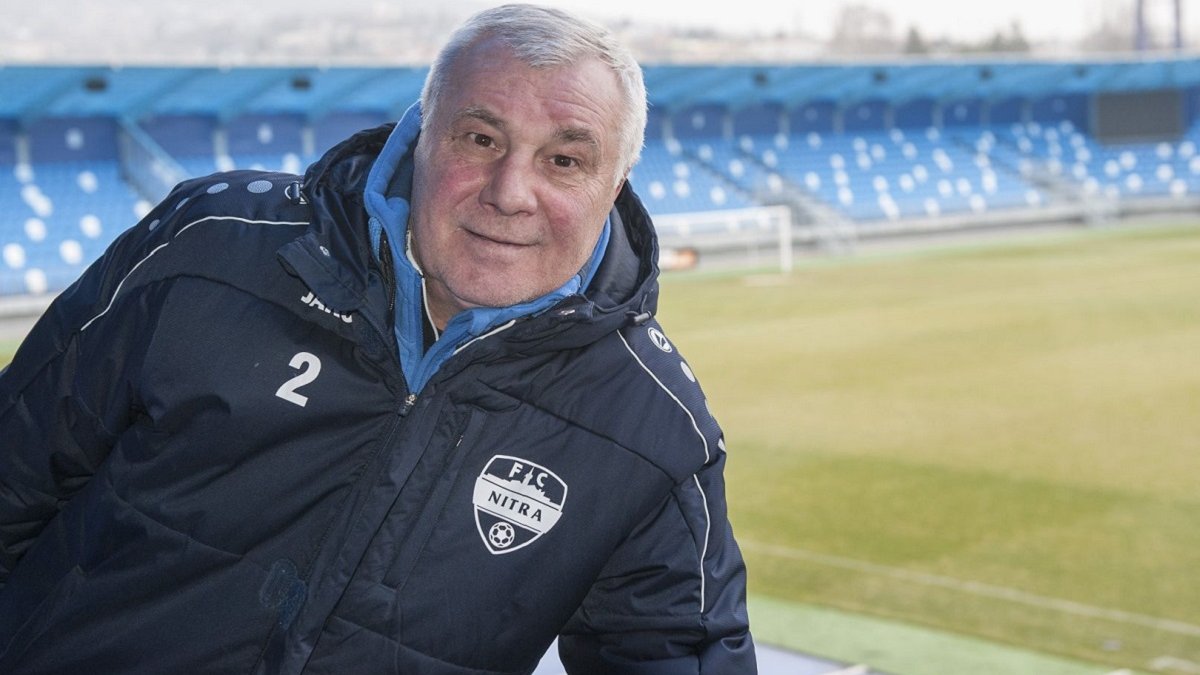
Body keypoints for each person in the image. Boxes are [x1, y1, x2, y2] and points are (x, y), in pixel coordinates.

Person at [0, 4, 755, 673]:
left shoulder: (654, 427)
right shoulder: (208, 250)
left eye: (564, 160)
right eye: (480, 138)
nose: (510, 193)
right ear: (420, 136)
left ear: (614, 185)